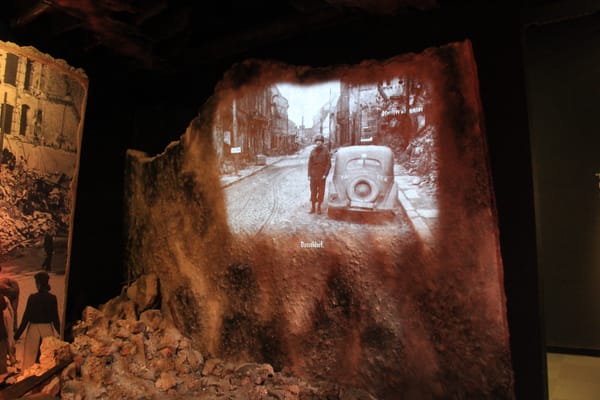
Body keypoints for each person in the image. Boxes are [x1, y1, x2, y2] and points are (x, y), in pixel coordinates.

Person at [14, 272, 60, 370]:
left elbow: (25, 319)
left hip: (33, 332)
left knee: (31, 362)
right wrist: (61, 334)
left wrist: (16, 336)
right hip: (47, 331)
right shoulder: (52, 298)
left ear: (38, 283)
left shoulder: (32, 298)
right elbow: (56, 319)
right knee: (47, 360)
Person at [307, 134, 331, 214]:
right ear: (315, 142)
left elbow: (328, 164)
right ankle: (313, 207)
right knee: (313, 191)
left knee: (321, 191)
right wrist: (309, 175)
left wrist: (325, 174)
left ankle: (319, 207)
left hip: (322, 175)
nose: (318, 143)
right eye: (317, 142)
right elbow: (310, 164)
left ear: (322, 142)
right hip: (313, 174)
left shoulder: (326, 151)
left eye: (320, 142)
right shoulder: (312, 151)